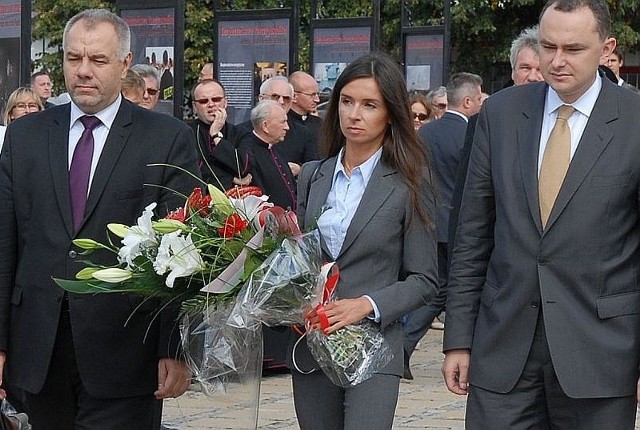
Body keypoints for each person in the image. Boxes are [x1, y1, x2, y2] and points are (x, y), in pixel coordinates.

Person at [442, 1, 640, 428]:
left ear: (607, 48)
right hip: (503, 350)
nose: (557, 60)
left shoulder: (634, 121)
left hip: (602, 355)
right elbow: (473, 234)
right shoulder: (501, 113)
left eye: (573, 48)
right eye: (548, 46)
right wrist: (458, 339)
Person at [0, 9, 199, 429]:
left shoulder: (166, 139)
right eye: (74, 59)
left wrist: (176, 348)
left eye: (98, 60)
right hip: (40, 347)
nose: (84, 71)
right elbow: (5, 243)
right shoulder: (25, 137)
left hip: (127, 351)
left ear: (125, 64)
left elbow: (183, 253)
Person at [289, 52, 438, 430]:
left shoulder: (409, 182)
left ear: (391, 113)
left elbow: (424, 280)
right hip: (313, 346)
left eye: (370, 105)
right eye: (347, 101)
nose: (354, 114)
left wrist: (366, 305)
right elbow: (303, 257)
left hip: (375, 348)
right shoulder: (313, 175)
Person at [403, 72, 483, 380]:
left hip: (427, 219)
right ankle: (405, 344)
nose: (480, 104)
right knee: (444, 288)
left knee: (436, 286)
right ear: (466, 101)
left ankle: (405, 345)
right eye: (478, 99)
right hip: (456, 224)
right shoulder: (469, 135)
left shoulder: (425, 132)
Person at [189, 78, 249, 190]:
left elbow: (243, 167)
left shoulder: (240, 133)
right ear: (194, 106)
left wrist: (216, 135)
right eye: (203, 101)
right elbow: (193, 170)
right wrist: (230, 178)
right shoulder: (186, 133)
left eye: (216, 99)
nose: (211, 104)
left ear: (225, 102)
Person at [237, 99, 296, 210]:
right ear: (265, 126)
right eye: (283, 122)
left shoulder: (276, 149)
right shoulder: (248, 152)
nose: (287, 127)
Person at [0, 87, 44, 152]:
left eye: (32, 106)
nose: (27, 110)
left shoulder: (48, 138)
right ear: (11, 113)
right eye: (21, 106)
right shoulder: (2, 135)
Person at [289, 71, 323, 148]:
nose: (317, 100)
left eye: (318, 94)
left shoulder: (320, 124)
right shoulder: (283, 124)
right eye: (312, 95)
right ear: (294, 96)